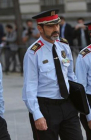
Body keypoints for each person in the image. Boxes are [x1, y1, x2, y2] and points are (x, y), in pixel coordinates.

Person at [22, 9, 83, 140]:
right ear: (40, 28)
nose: (55, 29)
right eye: (50, 26)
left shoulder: (64, 46)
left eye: (57, 24)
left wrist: (78, 99)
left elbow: (71, 75)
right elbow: (30, 86)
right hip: (46, 108)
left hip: (68, 105)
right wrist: (37, 114)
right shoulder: (33, 53)